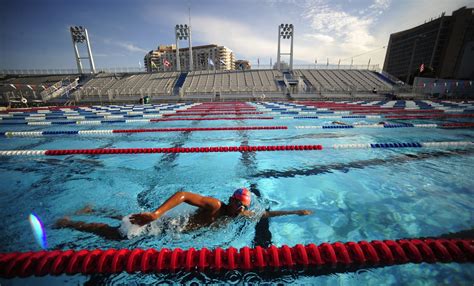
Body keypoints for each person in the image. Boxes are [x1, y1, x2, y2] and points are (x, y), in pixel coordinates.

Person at [55, 188, 312, 240]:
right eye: (238, 205)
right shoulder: (215, 206)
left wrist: (295, 211)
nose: (241, 210)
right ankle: (69, 222)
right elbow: (183, 194)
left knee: (128, 218)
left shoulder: (236, 215)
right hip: (167, 225)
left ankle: (94, 209)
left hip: (171, 229)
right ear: (231, 201)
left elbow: (264, 215)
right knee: (119, 234)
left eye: (244, 207)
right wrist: (156, 214)